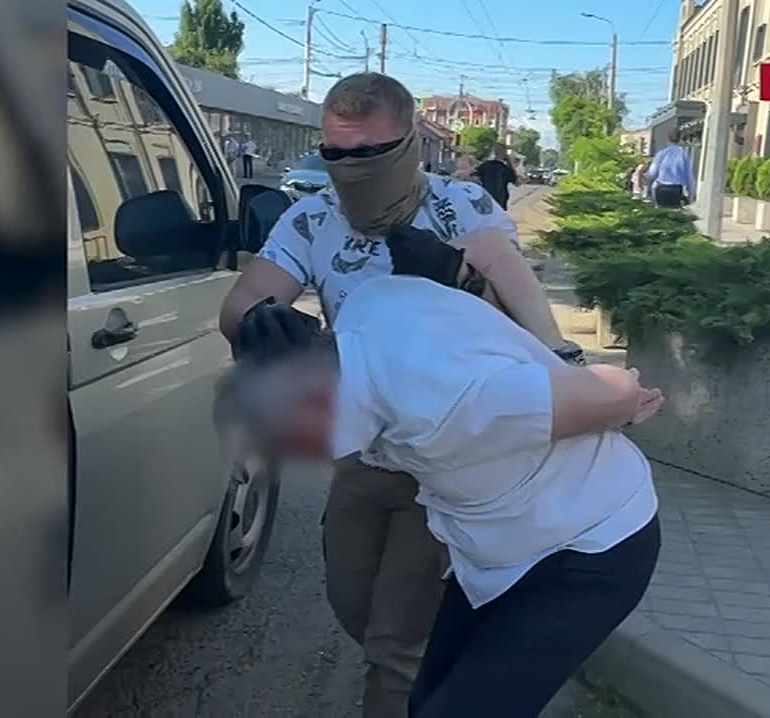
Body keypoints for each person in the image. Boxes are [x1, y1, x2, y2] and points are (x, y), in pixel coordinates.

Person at [216, 71, 578, 718]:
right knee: (353, 605)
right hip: (363, 454)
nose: (350, 169)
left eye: (369, 153)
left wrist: (460, 278)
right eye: (335, 154)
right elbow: (244, 300)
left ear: (411, 143)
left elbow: (529, 332)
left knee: (395, 645)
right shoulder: (314, 216)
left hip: (450, 457)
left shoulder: (466, 210)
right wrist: (257, 323)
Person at [217, 236, 665, 717]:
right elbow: (456, 262)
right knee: (427, 700)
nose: (299, 459)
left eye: (293, 442)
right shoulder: (366, 308)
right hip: (502, 552)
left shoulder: (448, 409)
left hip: (590, 550)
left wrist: (623, 401)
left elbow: (612, 386)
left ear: (314, 399)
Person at [646, 129, 696, 208]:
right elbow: (690, 177)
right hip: (676, 189)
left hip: (661, 188)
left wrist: (648, 188)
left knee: (661, 211)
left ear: (668, 139)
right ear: (680, 139)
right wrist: (691, 196)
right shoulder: (684, 155)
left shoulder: (661, 153)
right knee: (674, 211)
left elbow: (652, 173)